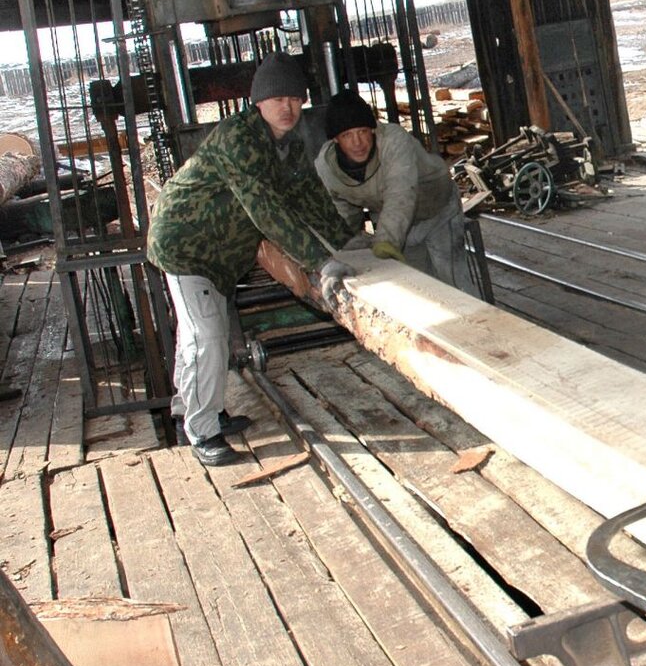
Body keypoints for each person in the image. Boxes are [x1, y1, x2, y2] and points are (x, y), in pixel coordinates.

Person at [148, 52, 355, 467]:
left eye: (295, 98)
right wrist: (318, 262)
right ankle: (202, 432)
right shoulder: (238, 140)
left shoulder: (288, 148)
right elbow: (267, 211)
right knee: (204, 337)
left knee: (207, 336)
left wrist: (349, 244)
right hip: (186, 246)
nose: (288, 107)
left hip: (221, 252)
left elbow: (310, 199)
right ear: (257, 102)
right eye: (277, 99)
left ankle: (187, 407)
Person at [314, 90, 476, 293]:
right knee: (419, 286)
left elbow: (400, 194)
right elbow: (342, 208)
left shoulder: (394, 141)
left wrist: (385, 242)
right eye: (347, 135)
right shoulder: (326, 168)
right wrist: (346, 243)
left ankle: (482, 323)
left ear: (372, 130)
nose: (357, 143)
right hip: (401, 225)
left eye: (362, 131)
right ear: (335, 140)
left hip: (437, 211)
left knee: (453, 281)